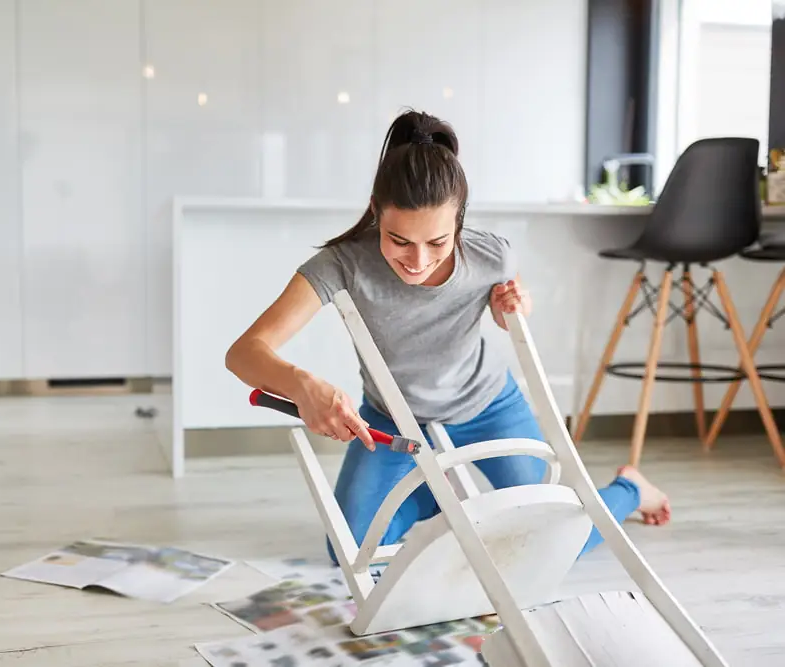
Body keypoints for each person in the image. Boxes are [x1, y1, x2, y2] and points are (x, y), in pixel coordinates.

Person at [225, 109, 671, 564]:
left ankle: (630, 489)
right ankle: (450, 499)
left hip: (488, 404)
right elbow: (243, 353)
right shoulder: (341, 264)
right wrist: (302, 385)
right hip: (393, 418)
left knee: (548, 540)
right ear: (378, 212)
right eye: (399, 240)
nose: (418, 260)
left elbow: (512, 312)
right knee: (350, 549)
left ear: (459, 219)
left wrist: (514, 308)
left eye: (437, 243)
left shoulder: (491, 255)